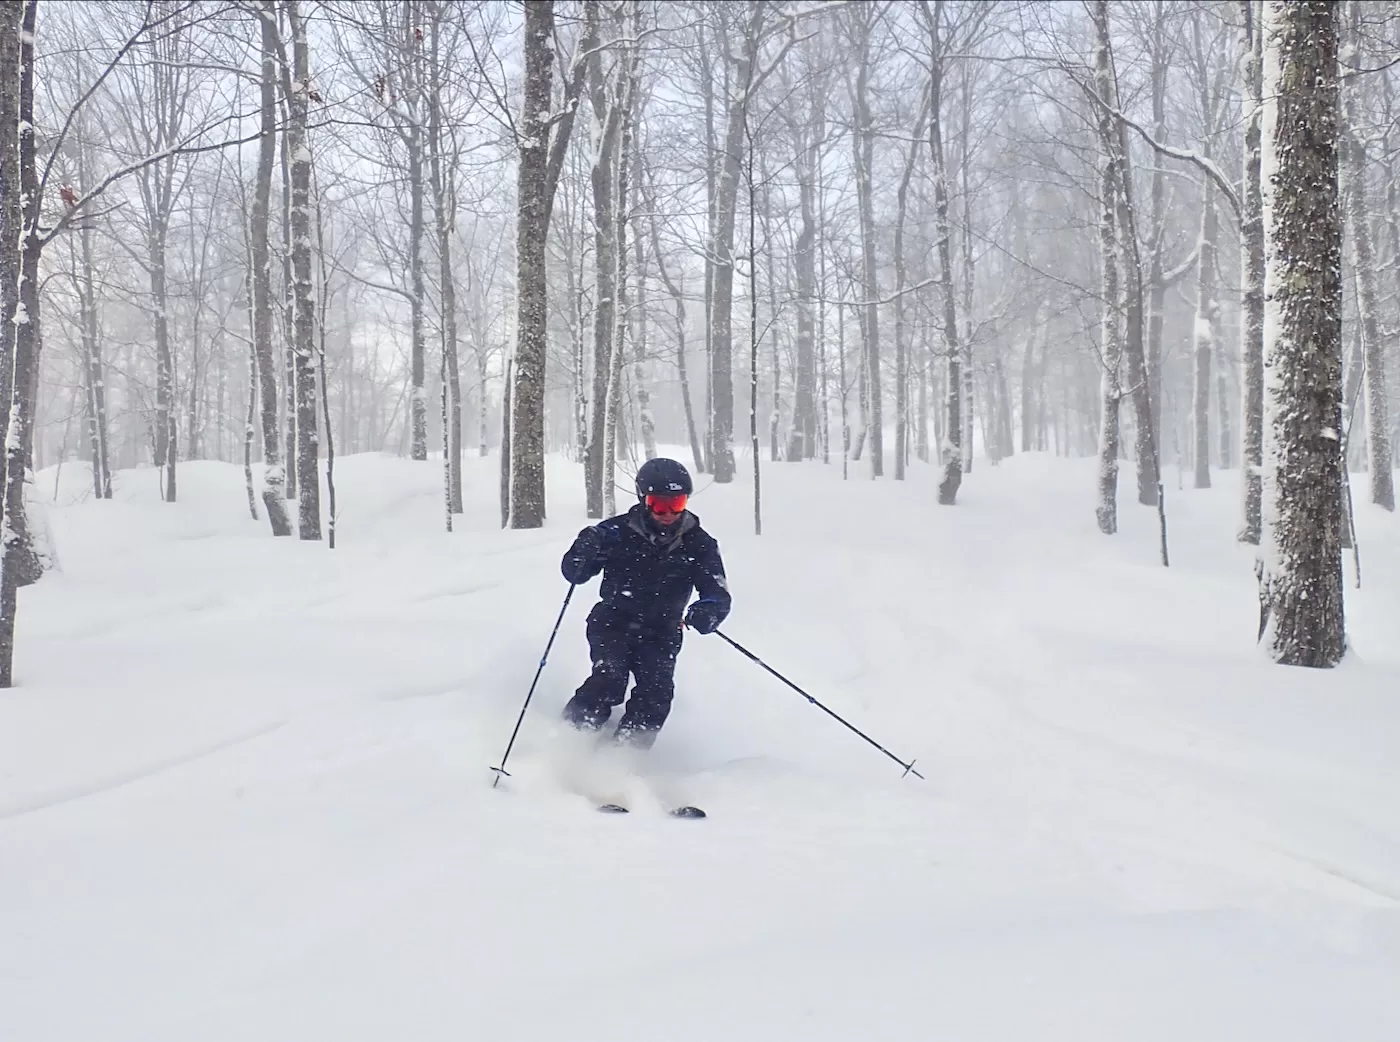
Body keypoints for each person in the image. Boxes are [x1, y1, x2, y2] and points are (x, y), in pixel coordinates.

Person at [558, 458, 731, 749]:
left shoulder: (698, 543)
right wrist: (583, 548)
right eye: (660, 505)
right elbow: (574, 573)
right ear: (643, 500)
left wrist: (708, 611)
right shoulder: (615, 533)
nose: (668, 514)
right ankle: (569, 737)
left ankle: (624, 757)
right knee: (610, 677)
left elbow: (717, 593)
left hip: (662, 631)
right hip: (612, 621)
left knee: (656, 693)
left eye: (676, 504)